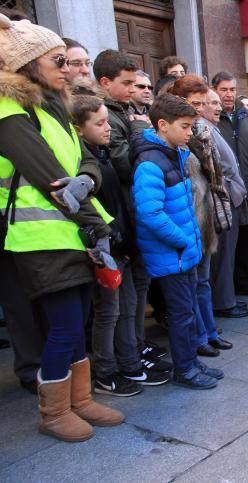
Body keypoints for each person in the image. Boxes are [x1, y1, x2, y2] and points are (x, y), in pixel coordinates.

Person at [0, 14, 124, 441]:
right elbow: (52, 181)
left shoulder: (52, 106)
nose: (68, 68)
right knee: (66, 325)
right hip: (40, 238)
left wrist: (88, 179)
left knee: (79, 321)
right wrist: (98, 226)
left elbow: (86, 159)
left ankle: (80, 400)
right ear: (28, 63)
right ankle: (53, 413)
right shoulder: (8, 111)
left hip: (70, 233)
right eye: (58, 60)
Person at [72, 90, 172, 395]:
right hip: (105, 247)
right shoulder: (82, 160)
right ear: (78, 129)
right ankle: (107, 371)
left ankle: (130, 359)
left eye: (108, 121)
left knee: (127, 308)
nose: (108, 128)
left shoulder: (102, 154)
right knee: (108, 313)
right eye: (99, 123)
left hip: (123, 240)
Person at [131, 93, 224, 389]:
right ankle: (184, 369)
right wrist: (183, 239)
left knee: (187, 311)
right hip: (172, 252)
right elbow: (150, 212)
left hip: (182, 250)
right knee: (181, 313)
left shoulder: (175, 153)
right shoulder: (150, 162)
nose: (189, 133)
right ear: (162, 125)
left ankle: (191, 363)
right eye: (184, 126)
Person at [93, 49, 161, 368]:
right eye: (128, 83)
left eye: (136, 83)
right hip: (120, 212)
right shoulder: (109, 114)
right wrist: (138, 132)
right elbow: (127, 163)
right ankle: (127, 355)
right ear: (105, 83)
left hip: (132, 211)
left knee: (138, 288)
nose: (135, 89)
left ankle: (137, 346)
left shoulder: (124, 109)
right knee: (122, 299)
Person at [170, 75, 234, 356]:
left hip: (205, 213)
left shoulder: (202, 131)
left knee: (203, 281)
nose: (198, 108)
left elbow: (216, 174)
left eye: (201, 103)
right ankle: (198, 337)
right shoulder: (173, 134)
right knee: (192, 284)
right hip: (187, 216)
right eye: (193, 102)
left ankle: (208, 331)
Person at [212, 71, 248, 296]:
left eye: (232, 89)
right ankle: (231, 285)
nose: (228, 94)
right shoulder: (214, 116)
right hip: (228, 188)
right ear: (215, 89)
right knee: (230, 240)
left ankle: (244, 281)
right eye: (223, 89)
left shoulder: (245, 113)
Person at [202, 88, 248, 319]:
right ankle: (223, 302)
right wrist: (231, 189)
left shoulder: (212, 127)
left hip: (231, 196)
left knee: (228, 254)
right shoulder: (202, 129)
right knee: (222, 255)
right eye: (212, 102)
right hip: (223, 198)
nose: (218, 107)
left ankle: (226, 298)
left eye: (217, 103)